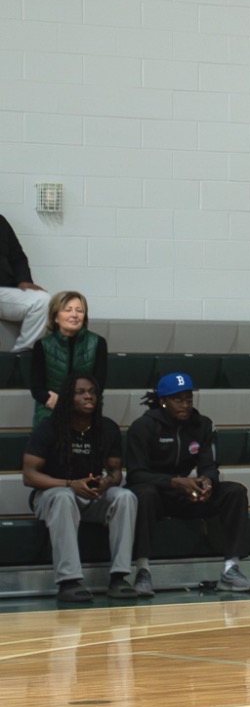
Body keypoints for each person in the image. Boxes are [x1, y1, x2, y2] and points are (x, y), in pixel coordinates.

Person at [124, 372, 250, 596]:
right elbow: (136, 474)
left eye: (188, 398)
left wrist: (207, 483)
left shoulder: (202, 425)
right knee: (144, 494)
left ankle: (231, 569)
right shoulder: (143, 427)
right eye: (178, 399)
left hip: (186, 492)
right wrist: (174, 482)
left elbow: (210, 465)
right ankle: (142, 571)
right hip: (157, 492)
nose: (185, 404)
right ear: (163, 401)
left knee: (235, 491)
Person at [23, 374, 138, 602]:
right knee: (65, 497)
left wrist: (106, 482)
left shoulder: (107, 428)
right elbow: (29, 475)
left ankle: (119, 577)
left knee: (126, 497)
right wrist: (69, 484)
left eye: (92, 392)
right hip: (52, 495)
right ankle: (69, 581)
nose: (88, 396)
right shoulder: (49, 428)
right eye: (81, 392)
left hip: (91, 495)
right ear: (67, 397)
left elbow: (116, 472)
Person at [29, 292, 108, 425]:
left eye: (79, 311)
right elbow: (37, 389)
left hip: (85, 409)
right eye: (68, 310)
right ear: (55, 317)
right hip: (50, 409)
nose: (74, 315)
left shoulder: (98, 343)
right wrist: (57, 403)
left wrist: (73, 404)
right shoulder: (42, 345)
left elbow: (98, 385)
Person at [0, 212, 50, 353]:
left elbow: (18, 257)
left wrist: (24, 280)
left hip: (4, 291)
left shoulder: (1, 221)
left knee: (43, 301)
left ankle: (20, 356)